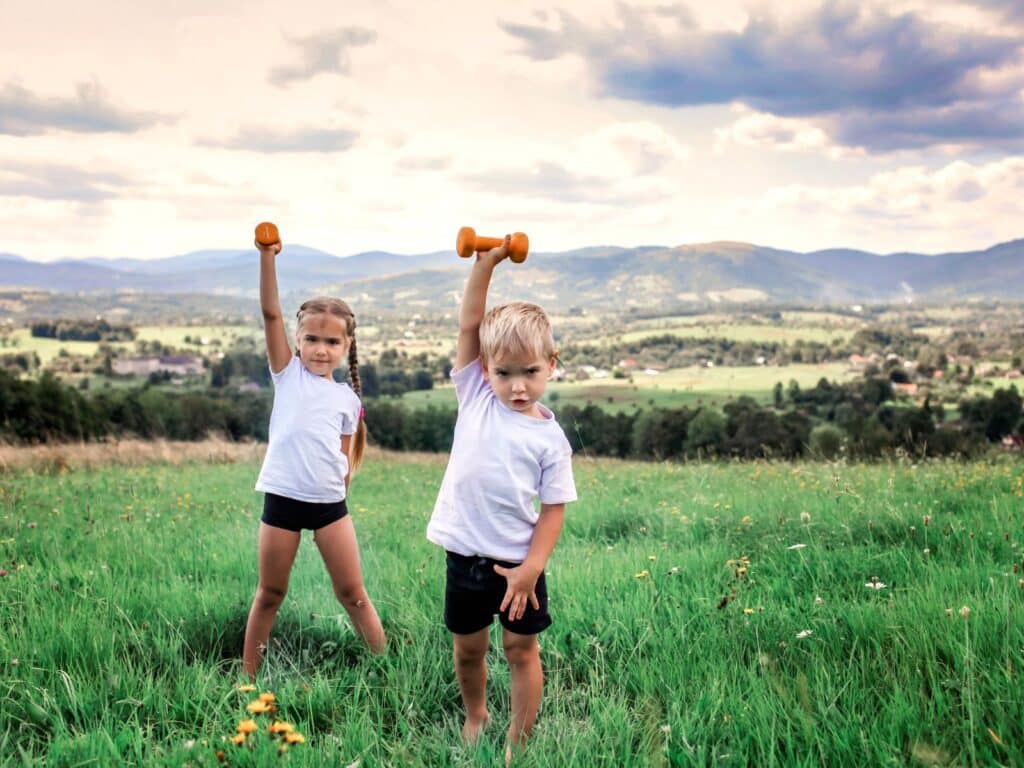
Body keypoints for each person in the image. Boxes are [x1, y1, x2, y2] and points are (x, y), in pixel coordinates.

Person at [426, 235, 577, 760]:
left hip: (519, 565)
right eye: (503, 372)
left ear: (551, 364)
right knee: (469, 650)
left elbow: (554, 511)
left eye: (530, 372)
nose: (516, 386)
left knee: (520, 649)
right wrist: (486, 263)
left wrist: (532, 569)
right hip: (465, 559)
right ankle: (476, 715)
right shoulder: (475, 397)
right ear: (484, 368)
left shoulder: (550, 439)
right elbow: (470, 324)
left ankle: (519, 738)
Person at [243, 234, 386, 679]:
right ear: (298, 340)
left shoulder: (347, 399)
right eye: (311, 339)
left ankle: (386, 668)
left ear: (346, 347)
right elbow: (270, 313)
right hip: (282, 500)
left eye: (331, 342)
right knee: (269, 593)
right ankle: (247, 678)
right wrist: (268, 257)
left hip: (328, 507)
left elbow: (344, 459)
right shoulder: (287, 374)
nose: (320, 349)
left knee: (354, 593)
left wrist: (336, 490)